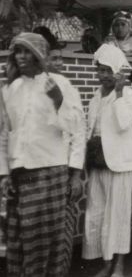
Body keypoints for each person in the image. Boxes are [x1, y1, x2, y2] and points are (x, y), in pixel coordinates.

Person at [0, 33, 86, 277]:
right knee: (19, 240)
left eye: (27, 51)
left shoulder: (59, 83)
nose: (22, 57)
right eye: (18, 51)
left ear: (40, 54)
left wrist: (75, 174)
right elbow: (5, 133)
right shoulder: (10, 89)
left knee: (49, 240)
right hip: (20, 175)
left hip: (50, 172)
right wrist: (4, 174)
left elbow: (77, 129)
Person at [83, 44, 132, 277]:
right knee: (96, 213)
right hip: (98, 162)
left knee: (117, 215)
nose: (103, 75)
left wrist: (118, 95)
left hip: (119, 163)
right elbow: (91, 129)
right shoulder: (96, 97)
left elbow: (125, 123)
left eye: (108, 71)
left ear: (119, 72)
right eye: (100, 70)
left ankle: (118, 265)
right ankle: (105, 263)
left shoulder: (130, 96)